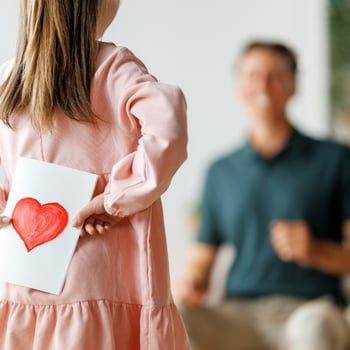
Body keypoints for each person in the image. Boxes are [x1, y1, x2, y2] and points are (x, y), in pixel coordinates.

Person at [0, 0, 190, 349]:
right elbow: (169, 127)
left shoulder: (8, 79)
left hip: (22, 274)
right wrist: (118, 195)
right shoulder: (112, 68)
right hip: (105, 279)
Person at [174, 40, 350, 350]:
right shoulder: (220, 171)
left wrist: (315, 250)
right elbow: (203, 258)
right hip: (239, 315)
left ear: (293, 85)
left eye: (275, 75)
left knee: (315, 328)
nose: (264, 85)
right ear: (239, 85)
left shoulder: (336, 159)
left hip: (310, 309)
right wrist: (192, 282)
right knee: (175, 315)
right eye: (253, 75)